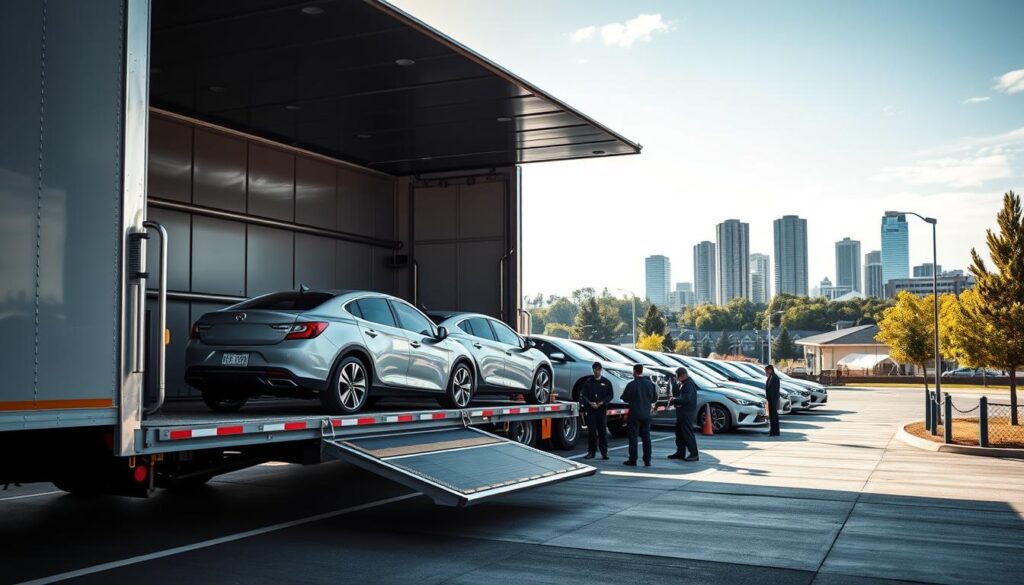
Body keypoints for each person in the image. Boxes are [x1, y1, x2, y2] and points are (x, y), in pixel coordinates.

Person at [620, 364, 657, 467]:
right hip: (646, 413)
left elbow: (624, 398)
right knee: (646, 437)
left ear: (635, 371)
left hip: (634, 413)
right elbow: (654, 399)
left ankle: (633, 459)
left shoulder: (631, 384)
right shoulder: (650, 384)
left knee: (633, 437)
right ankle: (647, 460)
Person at [579, 362, 613, 460]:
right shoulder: (588, 382)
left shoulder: (606, 382)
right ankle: (591, 452)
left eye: (598, 370)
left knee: (603, 432)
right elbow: (583, 394)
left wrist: (602, 402)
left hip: (601, 410)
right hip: (591, 410)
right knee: (592, 432)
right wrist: (589, 402)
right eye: (595, 370)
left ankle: (604, 452)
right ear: (593, 370)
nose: (596, 372)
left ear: (601, 370)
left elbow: (610, 395)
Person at [667, 367, 699, 461]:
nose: (676, 378)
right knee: (680, 433)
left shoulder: (689, 384)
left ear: (682, 375)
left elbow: (686, 398)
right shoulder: (683, 383)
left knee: (687, 433)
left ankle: (694, 453)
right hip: (682, 412)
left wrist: (674, 400)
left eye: (677, 376)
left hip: (687, 412)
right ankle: (680, 452)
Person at [764, 364, 781, 437]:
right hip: (770, 399)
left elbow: (775, 391)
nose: (766, 372)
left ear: (770, 370)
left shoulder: (775, 377)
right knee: (772, 416)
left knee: (774, 416)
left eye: (767, 370)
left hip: (773, 400)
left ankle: (774, 431)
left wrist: (773, 401)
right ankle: (774, 431)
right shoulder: (770, 377)